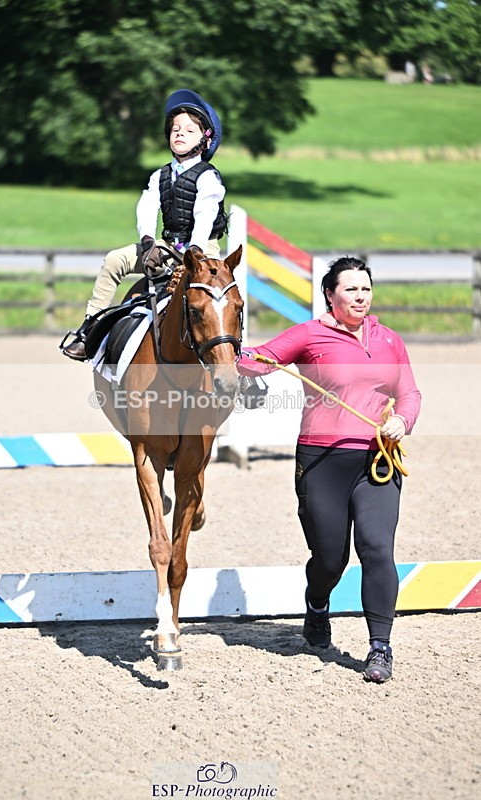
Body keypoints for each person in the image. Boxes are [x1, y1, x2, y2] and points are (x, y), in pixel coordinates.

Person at [237, 257, 421, 683]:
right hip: (321, 462)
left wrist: (402, 419)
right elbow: (259, 360)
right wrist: (226, 349)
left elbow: (410, 393)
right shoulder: (309, 335)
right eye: (351, 289)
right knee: (329, 559)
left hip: (377, 461)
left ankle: (380, 647)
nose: (360, 297)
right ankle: (317, 605)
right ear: (329, 295)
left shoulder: (389, 340)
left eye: (366, 289)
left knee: (377, 549)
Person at [62, 88, 228, 360]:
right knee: (114, 260)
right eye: (175, 129)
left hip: (202, 250)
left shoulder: (209, 177)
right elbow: (147, 207)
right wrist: (149, 243)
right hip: (168, 245)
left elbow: (204, 215)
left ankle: (235, 354)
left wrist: (195, 251)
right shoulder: (159, 175)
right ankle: (88, 330)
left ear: (205, 139)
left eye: (189, 130)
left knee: (219, 295)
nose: (179, 134)